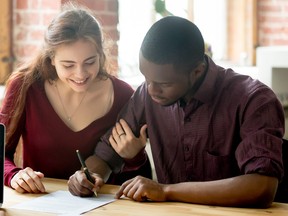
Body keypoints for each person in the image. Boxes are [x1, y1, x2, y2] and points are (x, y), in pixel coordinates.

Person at [68, 16, 285, 208]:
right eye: (146, 78)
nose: (151, 90)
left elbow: (262, 187)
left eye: (163, 83)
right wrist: (89, 175)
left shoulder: (254, 100)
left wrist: (166, 190)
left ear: (197, 71)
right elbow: (105, 156)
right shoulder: (147, 94)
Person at [0, 3, 151, 194]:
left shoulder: (122, 95)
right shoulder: (25, 86)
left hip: (101, 206)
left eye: (90, 62)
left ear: (101, 55)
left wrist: (135, 156)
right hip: (39, 202)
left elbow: (138, 176)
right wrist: (13, 175)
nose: (80, 74)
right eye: (68, 65)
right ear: (52, 58)